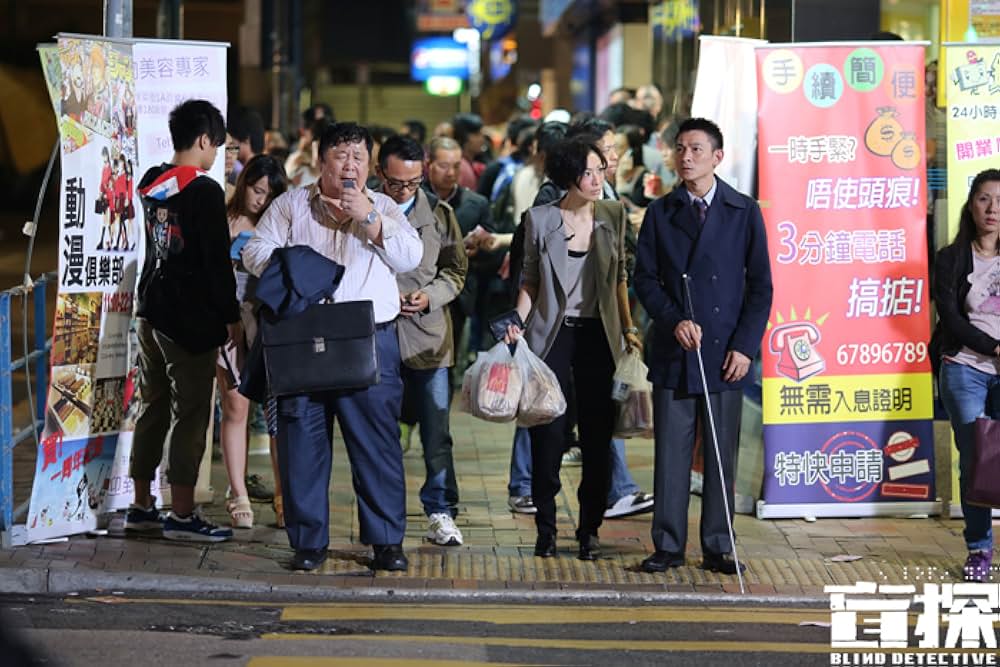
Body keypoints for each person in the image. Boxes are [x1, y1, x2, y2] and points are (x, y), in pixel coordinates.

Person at [242, 122, 422, 572]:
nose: (350, 165)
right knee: (302, 442)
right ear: (322, 162)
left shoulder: (382, 206)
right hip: (303, 336)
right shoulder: (290, 205)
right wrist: (301, 269)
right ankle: (308, 542)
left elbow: (409, 255)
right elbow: (255, 252)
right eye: (341, 156)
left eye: (359, 158)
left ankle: (385, 541)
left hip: (368, 338)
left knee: (377, 446)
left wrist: (369, 218)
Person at [634, 118, 772, 575]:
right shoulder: (660, 212)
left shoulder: (743, 210)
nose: (686, 157)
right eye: (680, 149)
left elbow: (760, 288)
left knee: (719, 453)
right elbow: (646, 280)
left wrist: (744, 348)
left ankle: (718, 543)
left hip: (725, 353)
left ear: (717, 156)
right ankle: (668, 543)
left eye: (696, 149)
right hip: (676, 351)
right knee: (671, 454)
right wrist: (673, 321)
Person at [506, 136, 641, 561]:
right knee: (549, 434)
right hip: (552, 334)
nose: (597, 179)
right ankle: (546, 529)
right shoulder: (540, 219)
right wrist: (517, 322)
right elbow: (529, 278)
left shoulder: (614, 215)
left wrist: (629, 327)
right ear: (568, 175)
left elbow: (619, 277)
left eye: (601, 170)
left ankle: (589, 529)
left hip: (600, 335)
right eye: (588, 171)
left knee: (599, 437)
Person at [125, 99, 240, 542]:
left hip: (151, 310)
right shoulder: (205, 191)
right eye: (217, 146)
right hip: (189, 319)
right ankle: (183, 514)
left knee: (152, 406)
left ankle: (141, 506)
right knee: (190, 413)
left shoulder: (152, 181)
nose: (217, 156)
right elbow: (215, 263)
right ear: (203, 139)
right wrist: (229, 317)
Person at [376, 135, 468, 546]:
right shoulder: (367, 210)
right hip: (376, 337)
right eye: (396, 184)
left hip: (428, 338)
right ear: (380, 176)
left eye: (413, 183)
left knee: (436, 431)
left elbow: (455, 272)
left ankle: (441, 510)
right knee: (379, 432)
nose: (404, 192)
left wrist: (430, 296)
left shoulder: (442, 216)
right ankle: (382, 516)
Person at [931, 168, 1000, 582]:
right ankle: (979, 548)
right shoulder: (951, 257)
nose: (993, 209)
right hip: (965, 368)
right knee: (977, 457)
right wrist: (994, 348)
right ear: (971, 204)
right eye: (984, 198)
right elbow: (951, 318)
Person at [218, 154, 289, 529]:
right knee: (235, 407)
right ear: (244, 182)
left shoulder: (279, 224)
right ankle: (238, 493)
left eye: (267, 193)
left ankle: (283, 496)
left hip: (268, 322)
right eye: (255, 189)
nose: (259, 199)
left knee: (277, 414)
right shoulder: (224, 219)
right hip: (228, 321)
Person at [422, 137, 495, 367]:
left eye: (456, 166)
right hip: (419, 288)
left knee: (451, 358)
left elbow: (491, 249)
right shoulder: (416, 199)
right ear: (429, 164)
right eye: (444, 166)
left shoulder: (476, 203)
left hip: (458, 292)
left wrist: (478, 249)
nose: (451, 173)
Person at [452, 113, 487, 190]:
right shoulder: (461, 167)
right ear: (463, 137)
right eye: (477, 134)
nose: (482, 139)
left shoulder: (470, 163)